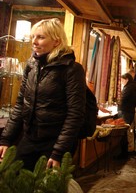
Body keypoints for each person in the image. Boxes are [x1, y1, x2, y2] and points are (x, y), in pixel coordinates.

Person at [0, 18, 86, 170]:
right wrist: (6, 139)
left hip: (54, 143)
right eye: (33, 36)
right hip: (29, 139)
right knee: (13, 181)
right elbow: (20, 104)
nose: (34, 41)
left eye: (40, 37)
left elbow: (75, 114)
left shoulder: (72, 69)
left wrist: (58, 152)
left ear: (56, 42)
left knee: (45, 191)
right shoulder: (31, 65)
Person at [118, 72, 136, 157]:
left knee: (123, 132)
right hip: (130, 111)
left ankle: (123, 153)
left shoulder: (128, 88)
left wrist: (118, 102)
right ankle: (125, 151)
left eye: (122, 80)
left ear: (126, 79)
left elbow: (123, 99)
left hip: (126, 112)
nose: (122, 82)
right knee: (127, 131)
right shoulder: (134, 87)